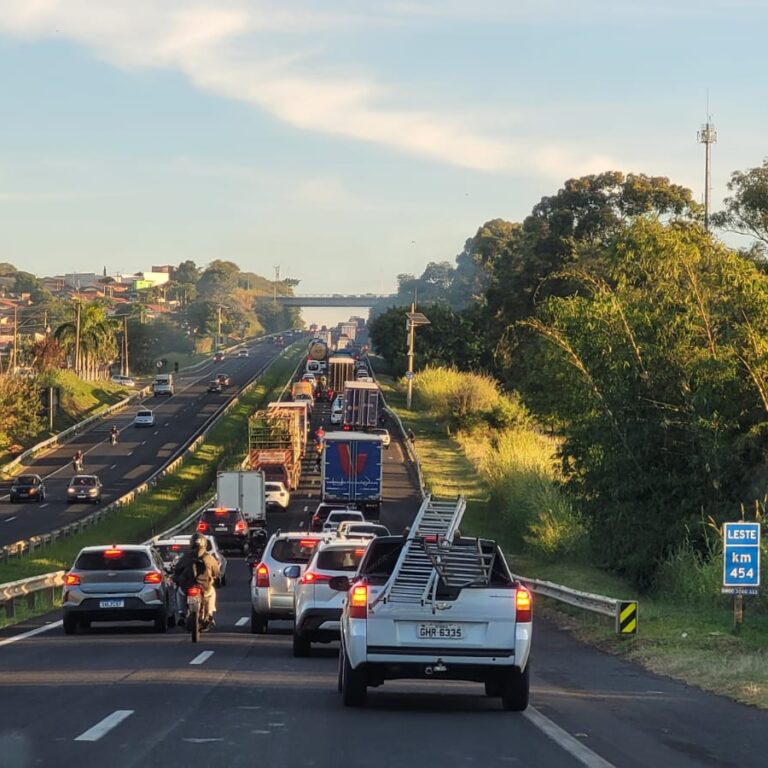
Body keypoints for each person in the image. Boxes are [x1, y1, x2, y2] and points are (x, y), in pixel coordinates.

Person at [173, 533, 221, 628]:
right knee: (212, 593)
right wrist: (216, 577)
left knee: (179, 593)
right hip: (204, 587)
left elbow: (177, 569)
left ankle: (182, 613)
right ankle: (210, 614)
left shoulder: (186, 556)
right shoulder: (209, 557)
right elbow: (216, 571)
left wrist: (178, 578)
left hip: (187, 586)